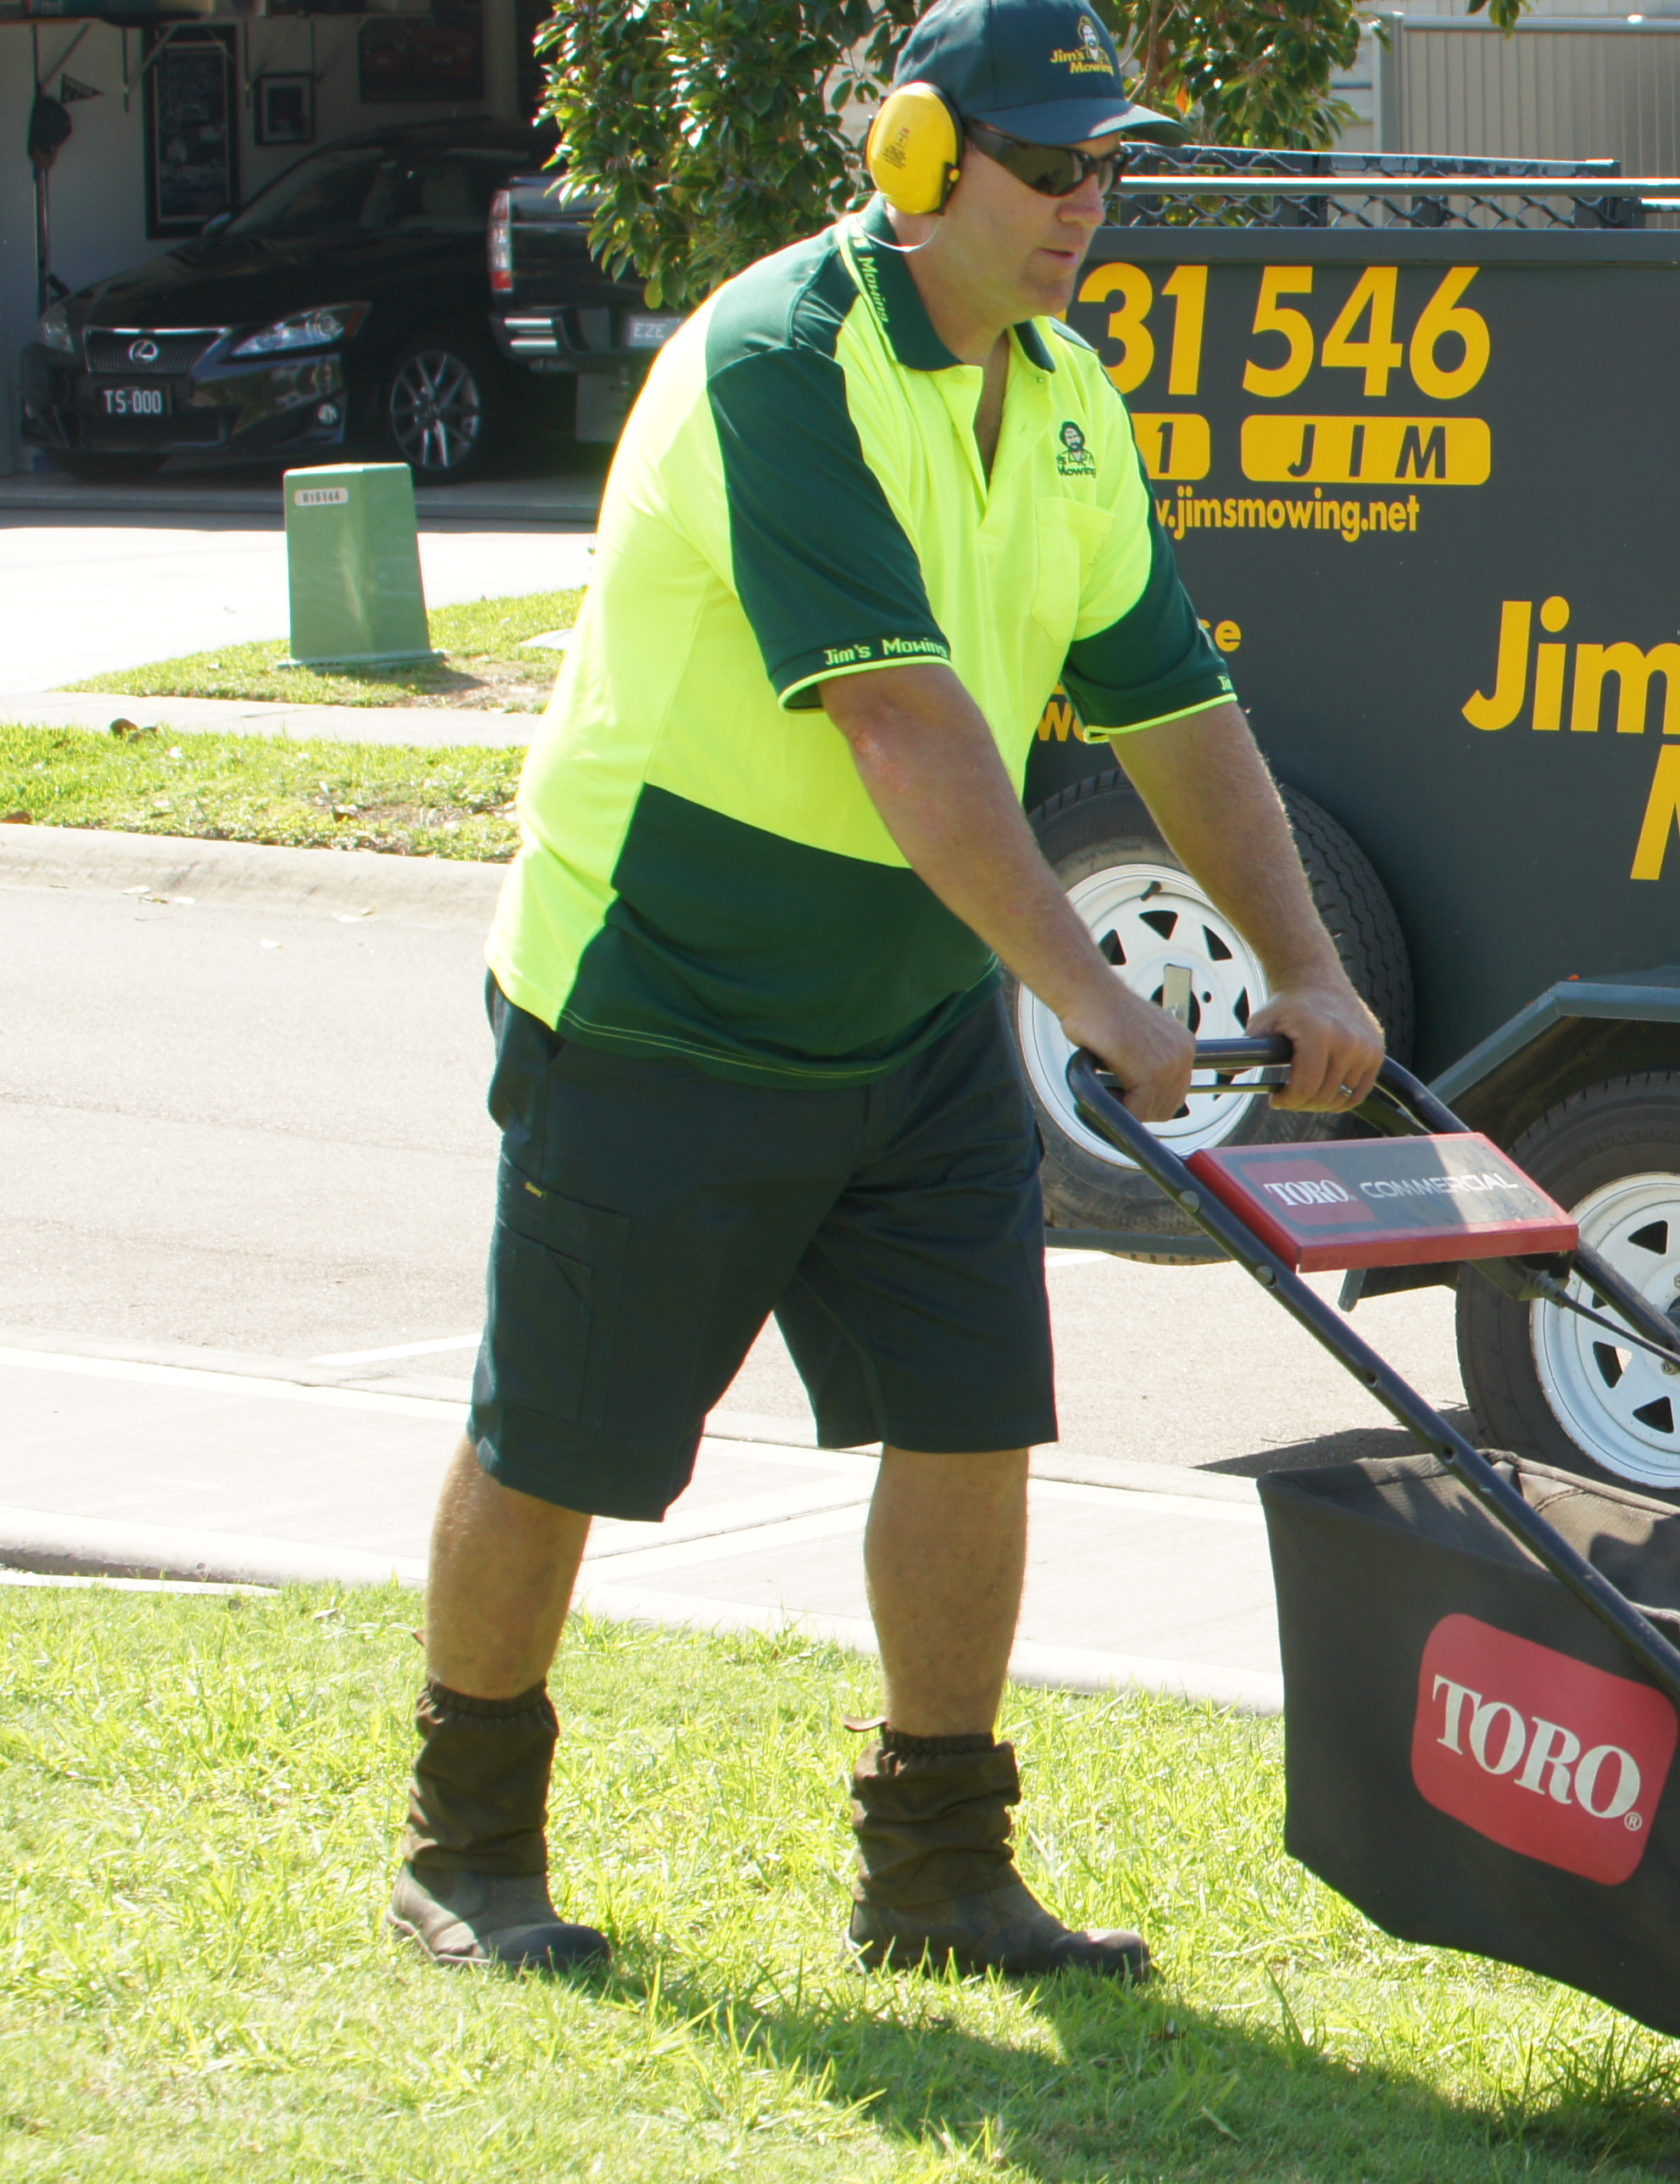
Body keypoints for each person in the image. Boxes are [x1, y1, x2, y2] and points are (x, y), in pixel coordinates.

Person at [391, 0, 1382, 1981]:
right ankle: (467, 1848)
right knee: (559, 1436)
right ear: (921, 160)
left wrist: (1306, 961)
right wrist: (1101, 998)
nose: (1086, 205)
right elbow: (911, 733)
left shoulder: (1067, 397)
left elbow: (1174, 705)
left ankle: (935, 1871)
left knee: (968, 1417)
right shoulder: (778, 365)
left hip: (911, 1013)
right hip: (663, 1000)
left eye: (1107, 167)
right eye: (1046, 164)